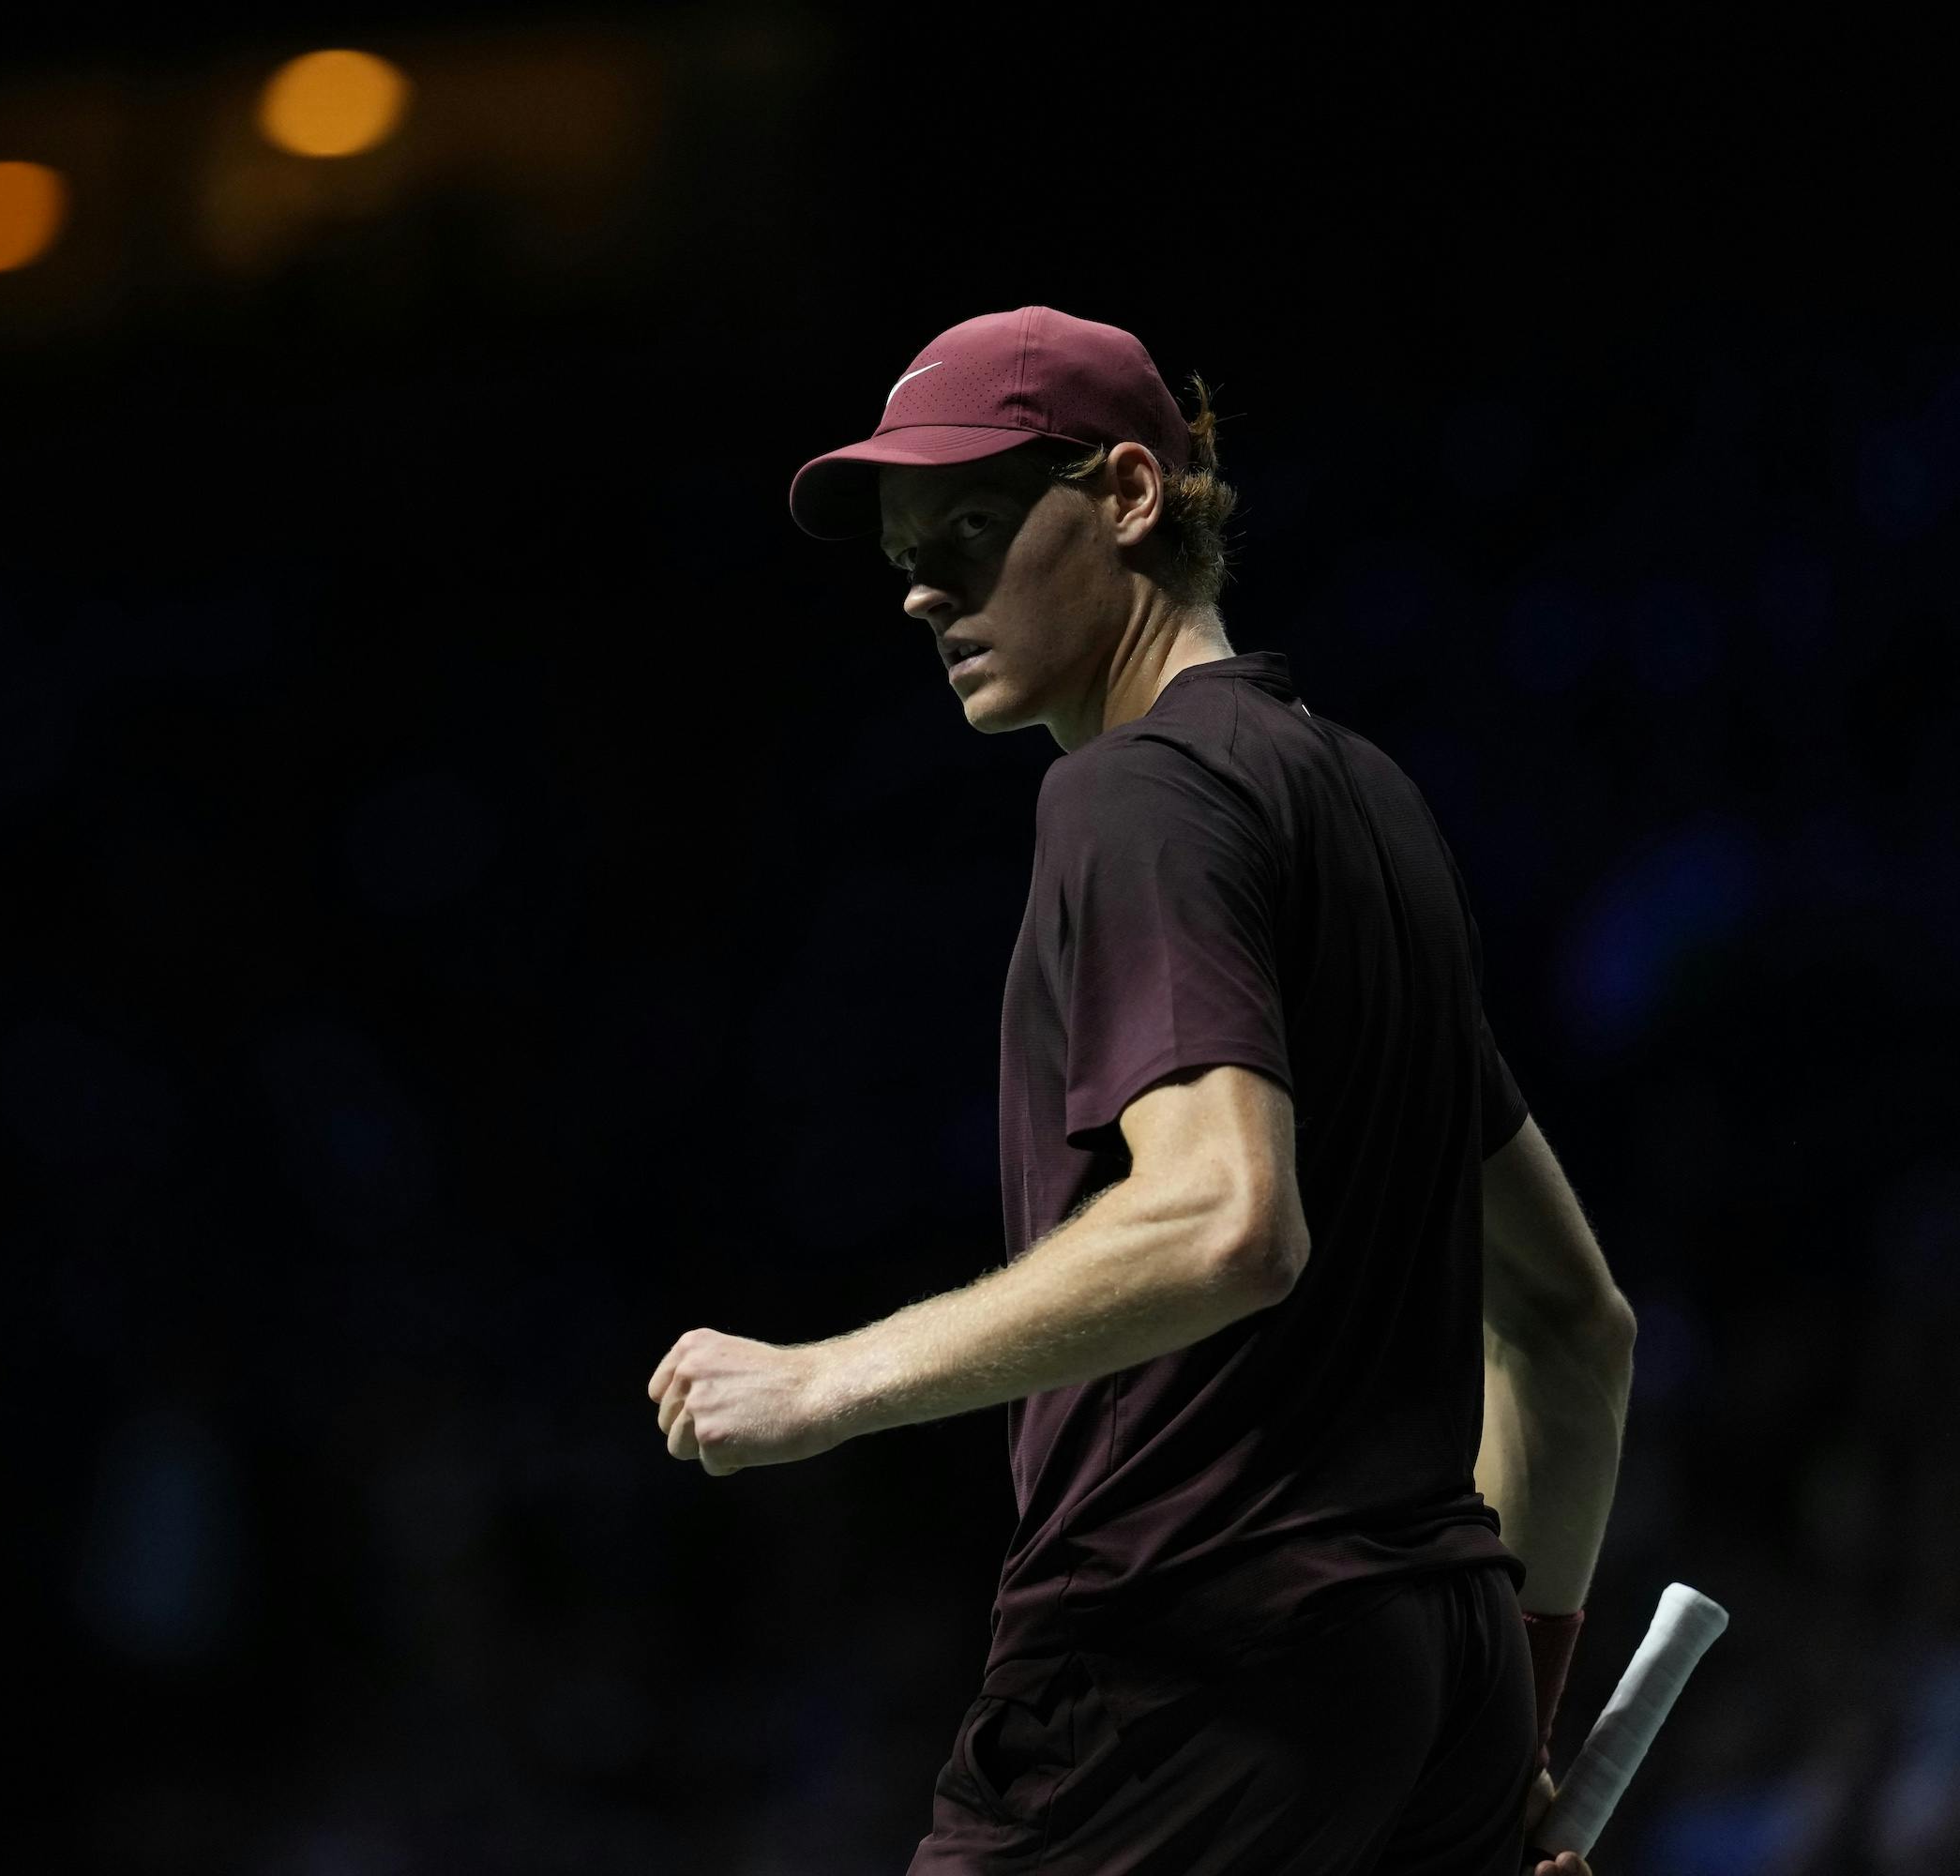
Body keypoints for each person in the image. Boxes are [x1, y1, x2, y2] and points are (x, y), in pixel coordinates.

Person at [644, 308, 1637, 1874]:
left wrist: (823, 1382)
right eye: (909, 551)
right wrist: (1506, 1720)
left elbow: (1225, 1222)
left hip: (1193, 1645)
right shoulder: (1368, 805)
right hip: (1420, 1688)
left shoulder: (1133, 792)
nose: (922, 588)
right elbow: (1577, 1329)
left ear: (1127, 494)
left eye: (971, 528)